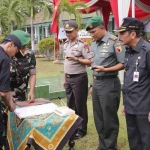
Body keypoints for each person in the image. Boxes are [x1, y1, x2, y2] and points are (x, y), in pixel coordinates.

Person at [86, 16, 125, 150]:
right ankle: (102, 146)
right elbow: (93, 65)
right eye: (90, 33)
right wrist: (92, 85)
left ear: (102, 28)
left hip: (109, 84)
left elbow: (123, 63)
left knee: (109, 119)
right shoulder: (94, 43)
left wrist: (106, 70)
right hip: (97, 84)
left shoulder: (115, 42)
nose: (92, 35)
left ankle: (110, 147)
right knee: (99, 118)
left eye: (93, 32)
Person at [114, 17, 150, 150]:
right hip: (131, 106)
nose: (119, 36)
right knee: (134, 141)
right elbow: (129, 79)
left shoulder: (148, 51)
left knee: (147, 142)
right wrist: (125, 103)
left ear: (133, 34)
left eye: (122, 33)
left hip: (144, 108)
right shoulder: (128, 51)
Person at [63, 20, 92, 140]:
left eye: (70, 32)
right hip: (69, 78)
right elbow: (65, 63)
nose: (68, 34)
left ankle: (82, 129)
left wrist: (76, 59)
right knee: (70, 104)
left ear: (76, 30)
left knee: (80, 105)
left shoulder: (83, 45)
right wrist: (65, 78)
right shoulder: (65, 44)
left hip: (79, 78)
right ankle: (73, 127)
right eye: (66, 32)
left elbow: (90, 61)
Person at [0, 33, 23, 150]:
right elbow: (3, 92)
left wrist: (9, 96)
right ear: (11, 45)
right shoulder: (4, 59)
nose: (14, 55)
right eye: (16, 51)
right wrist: (11, 105)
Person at [10, 30, 36, 102]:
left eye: (24, 47)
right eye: (21, 48)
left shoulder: (30, 54)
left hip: (21, 94)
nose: (23, 50)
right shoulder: (5, 55)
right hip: (6, 94)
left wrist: (31, 91)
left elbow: (32, 74)